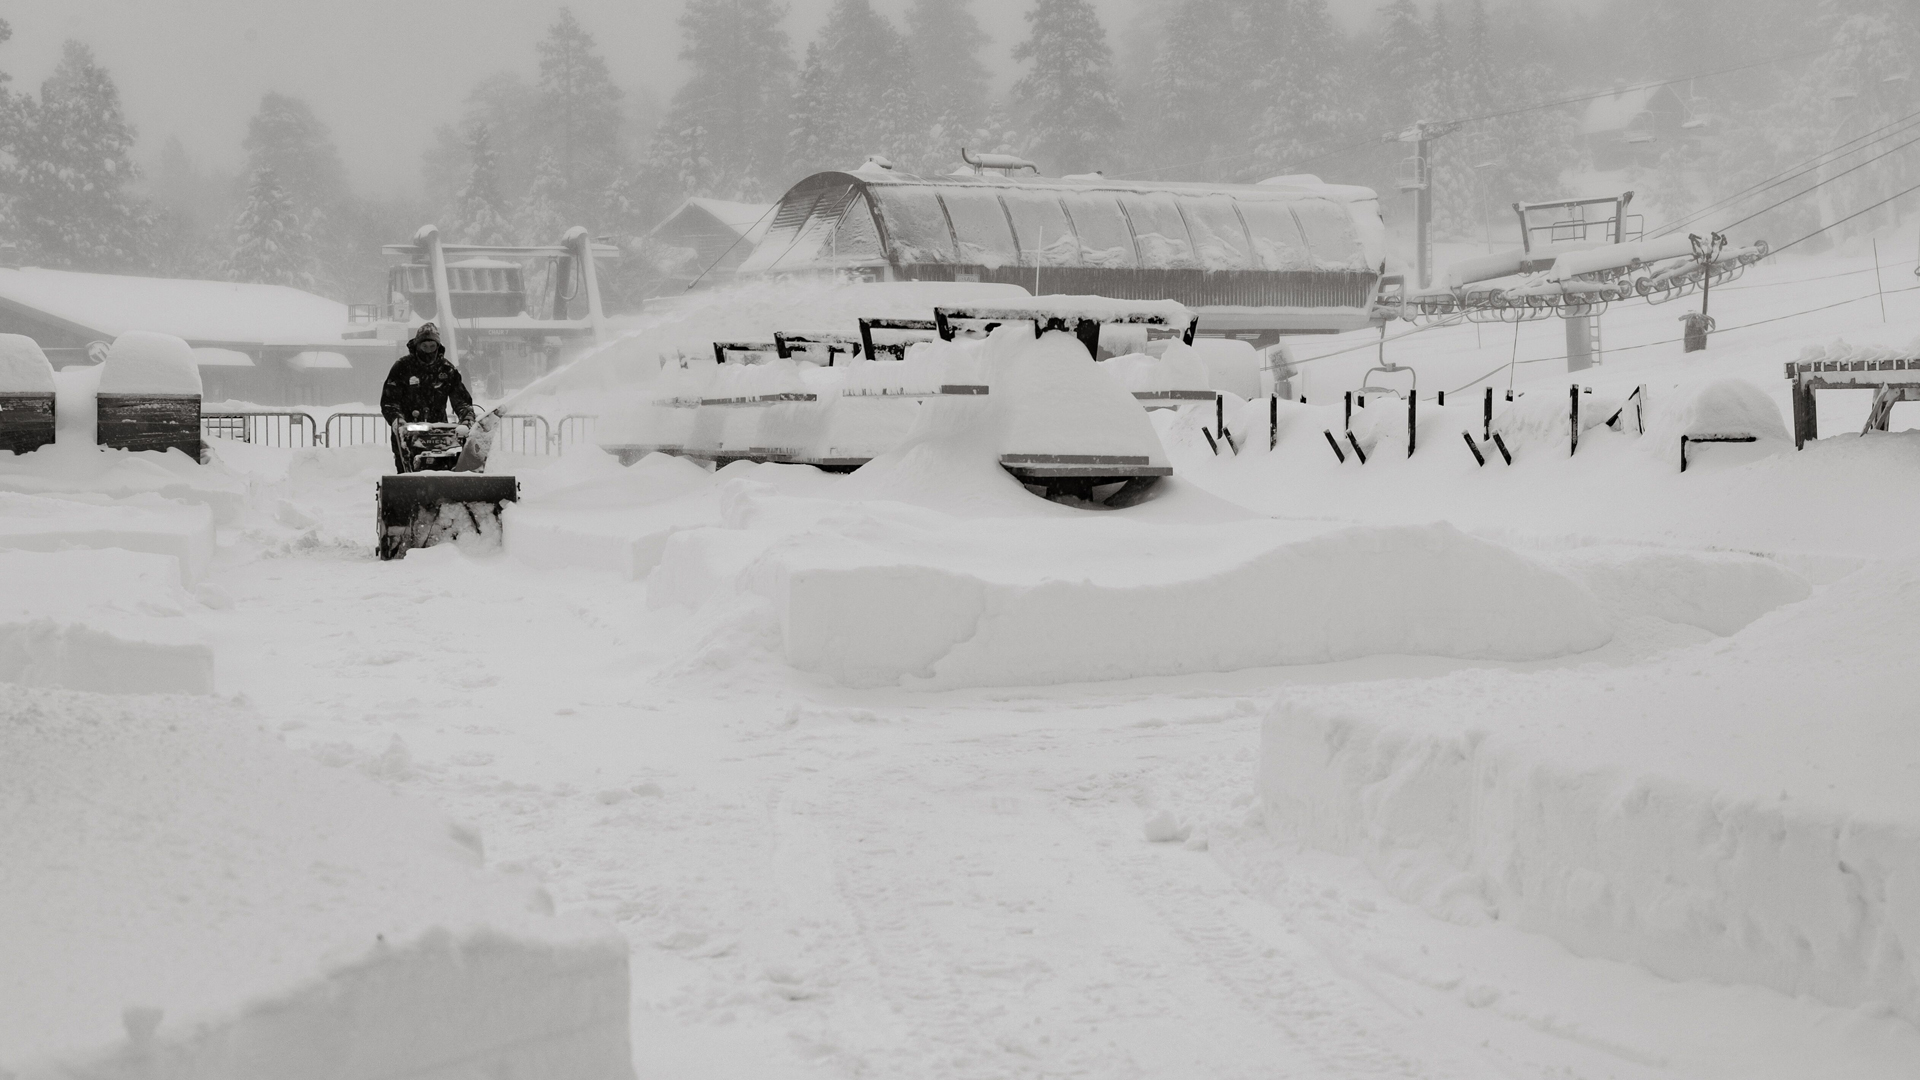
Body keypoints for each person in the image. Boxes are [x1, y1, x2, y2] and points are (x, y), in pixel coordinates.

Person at [380, 323, 476, 472]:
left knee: (443, 474)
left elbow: (461, 399)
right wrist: (398, 420)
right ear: (417, 346)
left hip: (440, 434)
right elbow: (390, 401)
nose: (429, 351)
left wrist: (466, 416)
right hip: (409, 435)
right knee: (407, 477)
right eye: (425, 347)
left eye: (433, 347)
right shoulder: (402, 367)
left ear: (438, 347)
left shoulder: (447, 369)